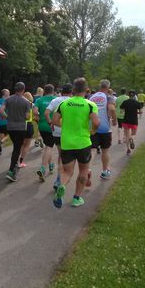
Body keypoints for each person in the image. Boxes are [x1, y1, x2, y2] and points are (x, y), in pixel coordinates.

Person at [52, 78, 100, 208]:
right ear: (86, 90)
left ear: (73, 90)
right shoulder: (90, 105)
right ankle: (76, 198)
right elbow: (96, 122)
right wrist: (93, 131)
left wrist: (65, 125)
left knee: (67, 171)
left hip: (67, 142)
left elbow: (54, 120)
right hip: (83, 143)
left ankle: (62, 185)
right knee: (83, 170)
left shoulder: (64, 104)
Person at [0, 82, 31, 182]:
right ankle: (11, 170)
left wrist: (6, 116)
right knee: (17, 148)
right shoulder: (26, 102)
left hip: (10, 127)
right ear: (23, 90)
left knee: (16, 146)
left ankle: (15, 165)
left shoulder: (7, 99)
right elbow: (27, 117)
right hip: (21, 127)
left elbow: (0, 110)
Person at [45, 84, 73, 190]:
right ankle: (59, 179)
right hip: (69, 132)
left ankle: (59, 179)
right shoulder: (72, 101)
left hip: (56, 132)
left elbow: (46, 113)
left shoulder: (56, 100)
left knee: (61, 155)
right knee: (67, 157)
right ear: (71, 92)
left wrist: (50, 123)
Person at [89, 79, 117, 179]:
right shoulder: (109, 97)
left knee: (92, 150)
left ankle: (88, 169)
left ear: (99, 86)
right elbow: (112, 109)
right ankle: (105, 171)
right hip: (105, 128)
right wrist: (114, 120)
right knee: (105, 151)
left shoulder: (91, 97)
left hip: (93, 127)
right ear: (108, 87)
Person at [34, 84, 57, 182]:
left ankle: (51, 165)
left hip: (42, 126)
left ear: (44, 91)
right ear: (53, 91)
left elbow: (34, 111)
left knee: (48, 145)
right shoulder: (56, 99)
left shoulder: (39, 100)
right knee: (49, 147)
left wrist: (39, 117)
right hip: (52, 125)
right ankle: (43, 168)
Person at [120, 90, 143, 156]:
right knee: (133, 134)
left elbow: (121, 111)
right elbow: (141, 112)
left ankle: (128, 149)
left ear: (129, 95)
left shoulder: (125, 102)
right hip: (134, 121)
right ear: (134, 95)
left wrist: (126, 111)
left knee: (127, 135)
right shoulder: (137, 103)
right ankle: (132, 139)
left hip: (126, 120)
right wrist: (136, 112)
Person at [18, 92, 35, 168]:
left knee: (20, 144)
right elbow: (36, 113)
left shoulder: (19, 104)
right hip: (28, 125)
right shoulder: (31, 104)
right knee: (27, 144)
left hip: (20, 125)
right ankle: (21, 160)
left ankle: (16, 160)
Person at [0, 89, 10, 156]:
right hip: (6, 120)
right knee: (8, 134)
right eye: (8, 93)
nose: (9, 94)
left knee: (1, 134)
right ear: (5, 94)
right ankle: (2, 141)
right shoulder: (8, 101)